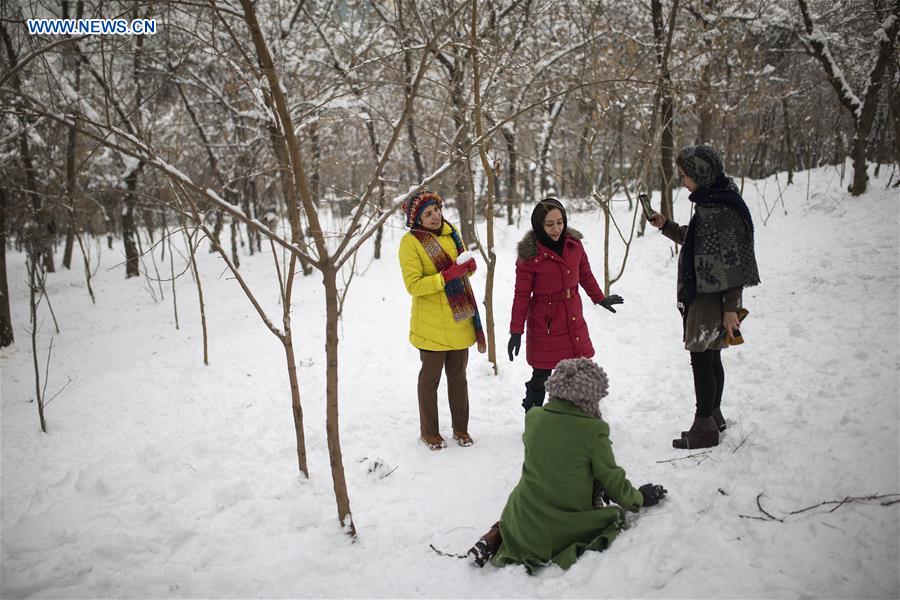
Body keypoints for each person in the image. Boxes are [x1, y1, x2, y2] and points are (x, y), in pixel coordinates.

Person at [466, 358, 667, 572]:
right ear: (590, 396)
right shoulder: (593, 430)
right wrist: (639, 498)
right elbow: (611, 479)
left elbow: (553, 461)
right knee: (612, 518)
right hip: (559, 524)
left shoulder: (534, 417)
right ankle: (516, 538)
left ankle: (495, 536)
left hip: (522, 513)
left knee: (522, 510)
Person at [648, 145, 760, 449]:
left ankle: (703, 427)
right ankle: (714, 415)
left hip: (712, 299)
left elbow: (733, 265)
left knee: (702, 358)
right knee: (711, 356)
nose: (683, 181)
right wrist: (666, 226)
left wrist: (730, 310)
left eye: (685, 176)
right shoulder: (713, 202)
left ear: (701, 174)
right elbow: (698, 240)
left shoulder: (722, 211)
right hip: (706, 295)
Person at [507, 197, 623, 412]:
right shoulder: (529, 256)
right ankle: (533, 416)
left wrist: (599, 298)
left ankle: (577, 416)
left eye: (560, 222)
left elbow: (585, 275)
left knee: (579, 369)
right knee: (542, 373)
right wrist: (516, 331)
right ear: (539, 225)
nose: (556, 228)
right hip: (545, 322)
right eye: (549, 224)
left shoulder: (573, 245)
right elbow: (521, 295)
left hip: (572, 315)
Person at [399, 190, 486, 451]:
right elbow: (413, 285)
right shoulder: (410, 242)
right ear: (417, 219)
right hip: (431, 326)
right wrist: (447, 276)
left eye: (436, 209)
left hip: (460, 319)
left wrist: (467, 270)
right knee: (430, 381)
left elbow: (459, 270)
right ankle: (429, 433)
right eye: (428, 213)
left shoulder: (451, 232)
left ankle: (461, 429)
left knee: (458, 378)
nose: (435, 215)